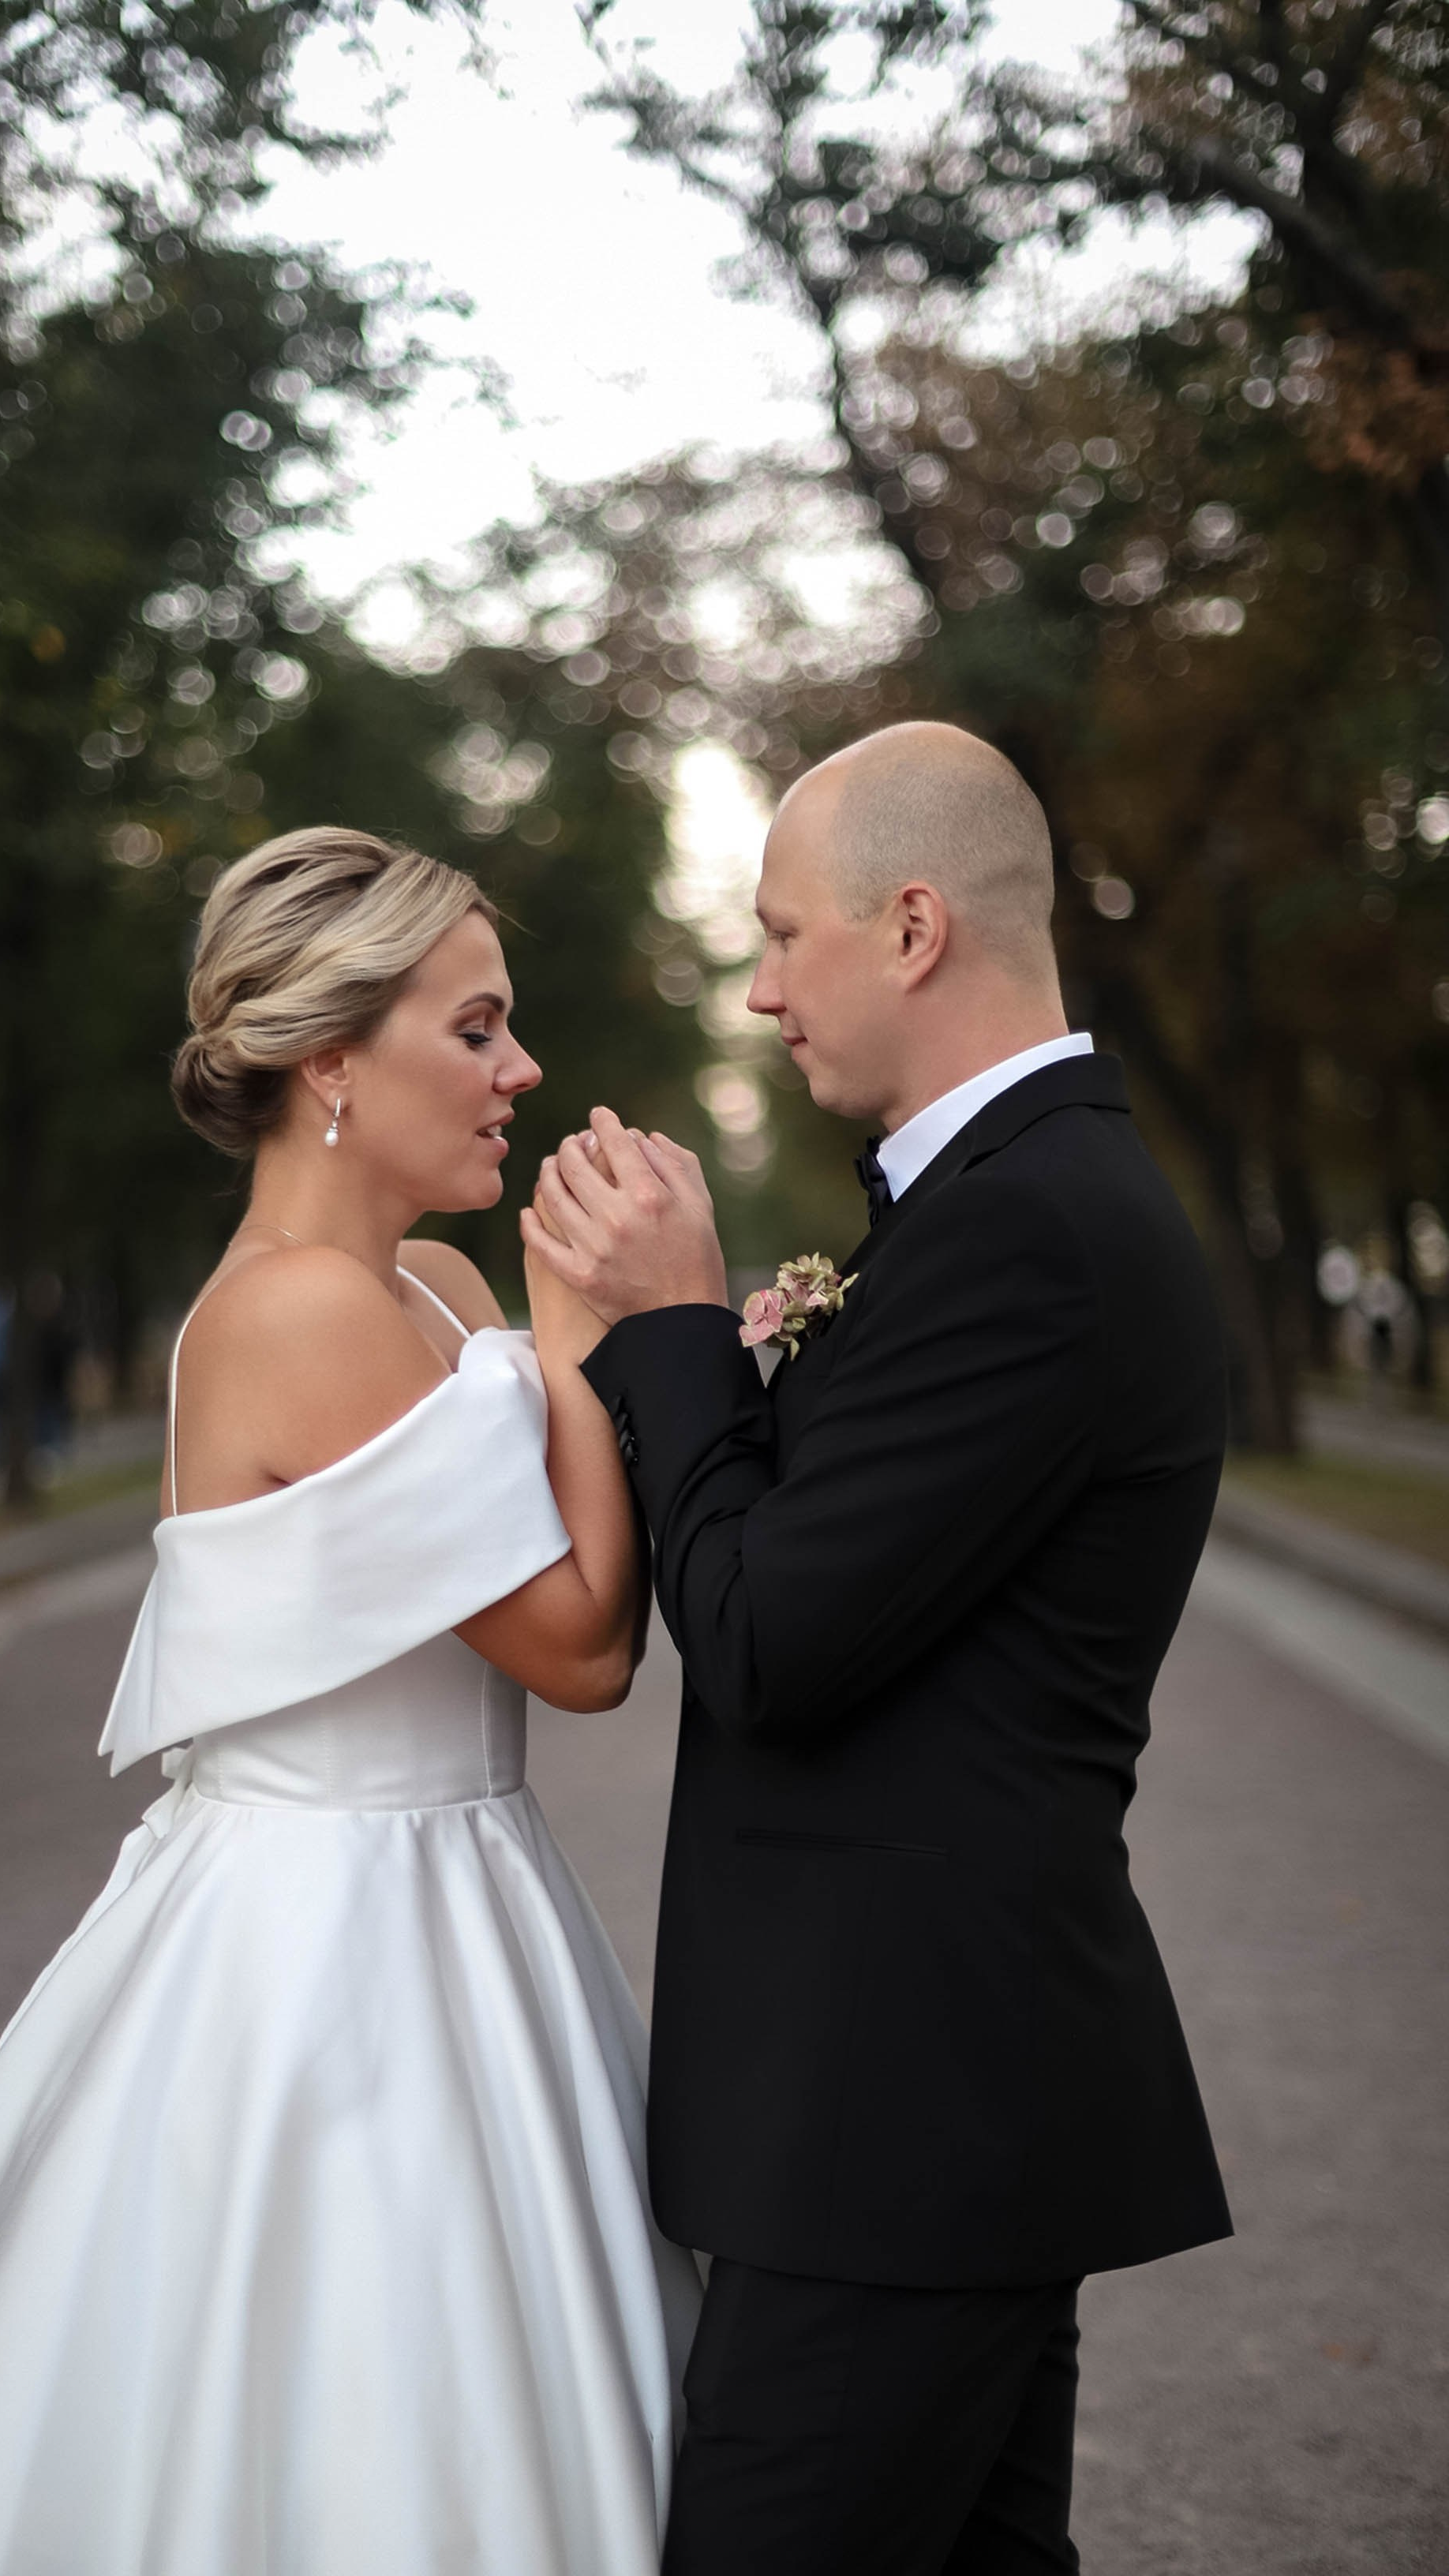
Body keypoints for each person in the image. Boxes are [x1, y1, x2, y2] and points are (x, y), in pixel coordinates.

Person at [0, 826, 699, 2576]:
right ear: (331, 1060)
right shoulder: (301, 1314)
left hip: (469, 1894)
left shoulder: (431, 1286)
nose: (522, 1071)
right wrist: (584, 1330)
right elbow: (581, 1648)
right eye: (476, 1028)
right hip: (333, 1936)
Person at [526, 722, 1233, 2575]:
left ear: (909, 926)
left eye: (778, 937)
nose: (759, 993)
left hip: (896, 2121)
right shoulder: (995, 1212)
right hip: (932, 2107)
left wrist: (677, 1332)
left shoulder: (1028, 1234)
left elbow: (761, 1641)